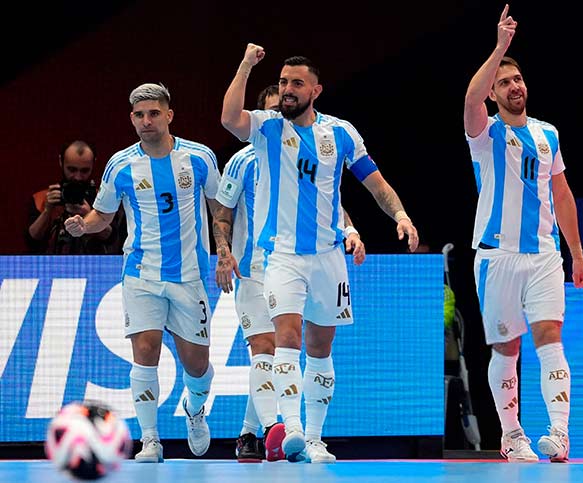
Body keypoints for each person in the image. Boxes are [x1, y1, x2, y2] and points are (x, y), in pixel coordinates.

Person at [220, 44, 419, 463]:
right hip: (280, 255)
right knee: (286, 337)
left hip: (329, 257)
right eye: (283, 83)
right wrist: (244, 67)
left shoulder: (341, 133)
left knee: (321, 347)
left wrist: (400, 215)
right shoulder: (267, 128)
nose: (287, 90)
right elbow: (229, 118)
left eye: (296, 84)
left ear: (316, 89)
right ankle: (290, 428)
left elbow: (375, 183)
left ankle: (313, 437)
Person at [64, 83, 222, 463]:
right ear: (132, 119)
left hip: (190, 276)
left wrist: (227, 252)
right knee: (145, 349)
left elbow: (220, 209)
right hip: (141, 273)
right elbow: (102, 215)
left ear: (169, 115)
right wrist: (83, 226)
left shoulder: (199, 158)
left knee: (197, 365)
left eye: (153, 113)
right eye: (139, 115)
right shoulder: (120, 165)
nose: (146, 121)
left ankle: (195, 410)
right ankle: (149, 439)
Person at [463, 5, 583, 463]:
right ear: (494, 94)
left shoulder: (548, 134)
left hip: (543, 256)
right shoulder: (485, 133)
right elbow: (470, 100)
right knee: (506, 346)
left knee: (549, 337)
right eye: (504, 82)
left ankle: (559, 433)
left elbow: (562, 193)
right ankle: (512, 434)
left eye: (517, 80)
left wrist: (576, 253)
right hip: (496, 257)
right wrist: (500, 48)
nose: (514, 86)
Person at [213, 84, 366, 462]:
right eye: (267, 115)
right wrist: (224, 253)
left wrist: (349, 231)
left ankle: (258, 432)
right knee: (266, 347)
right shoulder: (242, 160)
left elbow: (327, 204)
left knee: (293, 346)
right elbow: (222, 211)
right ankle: (275, 431)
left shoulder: (307, 152)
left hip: (304, 263)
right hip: (252, 268)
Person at [26, 140, 125, 254]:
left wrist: (90, 216)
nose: (78, 177)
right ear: (61, 161)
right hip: (51, 266)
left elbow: (113, 238)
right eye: (72, 169)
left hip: (92, 266)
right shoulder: (42, 198)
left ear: (93, 164)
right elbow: (31, 240)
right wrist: (47, 211)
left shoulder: (103, 197)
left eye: (84, 170)